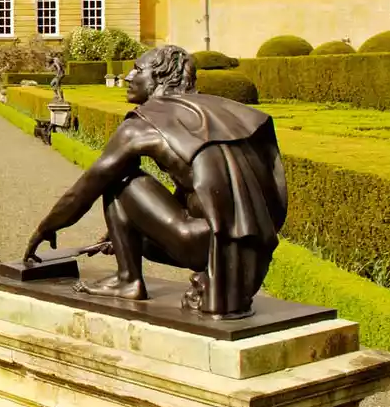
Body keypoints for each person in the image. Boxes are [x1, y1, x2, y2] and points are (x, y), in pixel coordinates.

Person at [23, 45, 287, 317]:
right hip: (251, 247)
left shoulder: (140, 126)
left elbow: (87, 187)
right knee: (136, 215)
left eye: (137, 69)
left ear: (160, 79)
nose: (127, 77)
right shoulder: (226, 112)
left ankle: (128, 281)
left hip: (201, 245)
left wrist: (47, 227)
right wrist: (129, 232)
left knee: (120, 179)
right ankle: (135, 265)